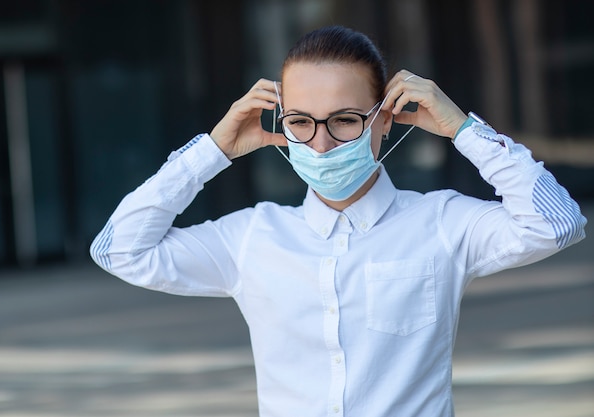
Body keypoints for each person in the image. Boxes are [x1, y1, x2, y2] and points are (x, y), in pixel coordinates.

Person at [90, 26, 586, 417]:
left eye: (345, 120)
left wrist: (462, 129)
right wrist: (212, 151)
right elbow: (120, 249)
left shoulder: (440, 222)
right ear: (281, 124)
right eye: (300, 121)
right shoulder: (252, 237)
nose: (321, 144)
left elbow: (557, 222)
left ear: (385, 120)